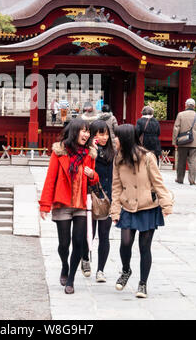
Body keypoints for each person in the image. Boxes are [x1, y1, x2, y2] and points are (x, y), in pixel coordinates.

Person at [110, 124, 173, 298]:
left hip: (148, 207)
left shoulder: (148, 157)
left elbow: (158, 182)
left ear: (125, 139)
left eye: (116, 137)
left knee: (145, 247)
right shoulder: (118, 158)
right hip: (128, 206)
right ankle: (126, 270)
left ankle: (143, 284)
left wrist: (166, 204)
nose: (114, 139)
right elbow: (115, 187)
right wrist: (115, 210)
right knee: (125, 243)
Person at [39, 118, 99, 294]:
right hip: (62, 202)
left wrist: (93, 174)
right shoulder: (59, 152)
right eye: (83, 130)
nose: (87, 134)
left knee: (79, 242)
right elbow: (51, 178)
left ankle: (71, 279)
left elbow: (94, 179)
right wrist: (45, 205)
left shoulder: (90, 153)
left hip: (80, 203)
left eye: (88, 131)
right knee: (64, 244)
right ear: (74, 132)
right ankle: (65, 265)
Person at [81, 120, 115, 282]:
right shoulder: (86, 152)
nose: (105, 137)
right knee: (88, 233)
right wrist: (92, 149)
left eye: (106, 133)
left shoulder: (112, 153)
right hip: (89, 196)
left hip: (107, 197)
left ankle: (100, 269)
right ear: (93, 134)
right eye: (101, 133)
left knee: (104, 234)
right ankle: (85, 259)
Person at [172, 98, 196, 185]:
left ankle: (180, 179)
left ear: (186, 105)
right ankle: (192, 180)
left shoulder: (181, 115)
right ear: (194, 106)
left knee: (181, 160)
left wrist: (175, 141)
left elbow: (176, 128)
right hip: (194, 142)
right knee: (193, 161)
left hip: (183, 141)